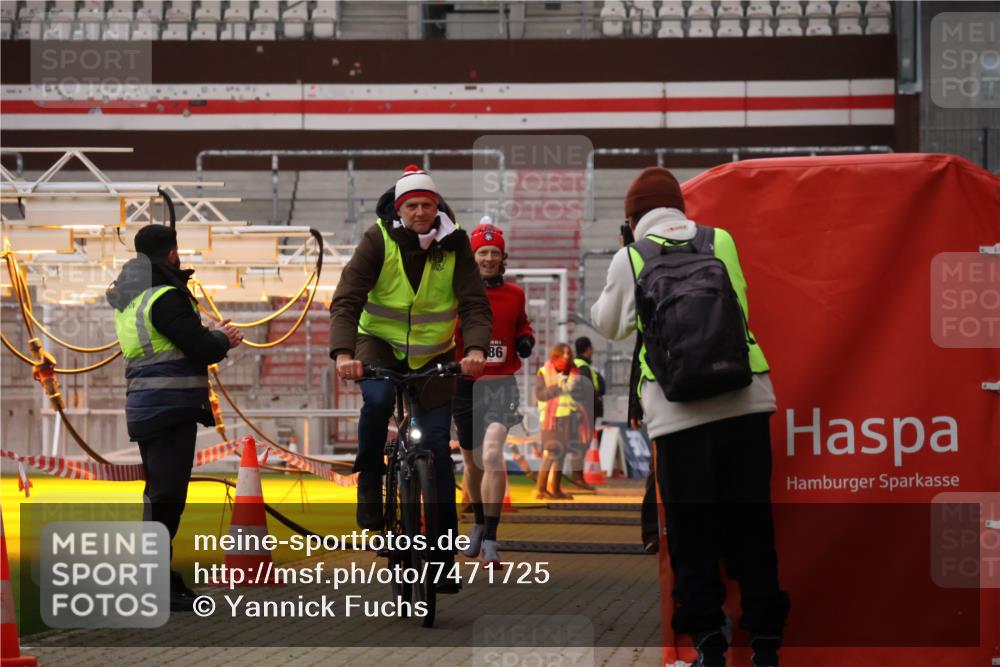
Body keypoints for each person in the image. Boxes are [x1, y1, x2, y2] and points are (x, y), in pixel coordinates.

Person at [591, 167, 789, 667]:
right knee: (752, 525)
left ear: (632, 218)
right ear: (680, 206)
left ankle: (708, 643)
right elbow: (738, 305)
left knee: (692, 532)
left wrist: (623, 261)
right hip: (745, 402)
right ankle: (766, 642)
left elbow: (611, 326)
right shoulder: (720, 239)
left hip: (678, 415)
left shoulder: (631, 255)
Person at [329, 165, 491, 592]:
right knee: (378, 402)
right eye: (412, 205)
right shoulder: (377, 240)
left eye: (427, 204)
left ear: (438, 207)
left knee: (437, 450)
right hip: (378, 345)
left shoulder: (456, 245)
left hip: (434, 355)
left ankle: (441, 560)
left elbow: (475, 304)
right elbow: (347, 299)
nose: (421, 212)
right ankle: (369, 480)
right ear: (400, 208)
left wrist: (474, 349)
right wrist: (344, 353)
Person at [106, 224, 243, 612]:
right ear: (172, 254)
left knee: (159, 496)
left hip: (148, 406)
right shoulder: (165, 297)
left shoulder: (132, 297)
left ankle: (157, 578)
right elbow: (198, 347)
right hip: (169, 407)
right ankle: (155, 583)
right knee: (166, 499)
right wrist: (222, 339)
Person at [452, 219, 534, 567]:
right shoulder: (456, 294)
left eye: (494, 253)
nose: (488, 258)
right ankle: (479, 525)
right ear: (473, 258)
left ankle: (491, 541)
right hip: (465, 384)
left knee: (491, 452)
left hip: (501, 383)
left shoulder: (515, 294)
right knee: (471, 462)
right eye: (482, 253)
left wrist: (526, 338)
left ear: (504, 258)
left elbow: (521, 323)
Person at [534, 343, 587, 500]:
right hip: (552, 420)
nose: (566, 356)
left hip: (569, 418)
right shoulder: (544, 371)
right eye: (562, 353)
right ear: (554, 355)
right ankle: (541, 489)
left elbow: (579, 395)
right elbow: (540, 395)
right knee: (551, 453)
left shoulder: (575, 373)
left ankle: (556, 489)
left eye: (568, 353)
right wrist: (558, 386)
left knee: (561, 455)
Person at [570, 336, 606, 489]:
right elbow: (586, 391)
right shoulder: (583, 368)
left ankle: (577, 477)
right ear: (588, 349)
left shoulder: (580, 366)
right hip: (584, 413)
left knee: (579, 445)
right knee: (580, 445)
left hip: (581, 412)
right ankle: (577, 478)